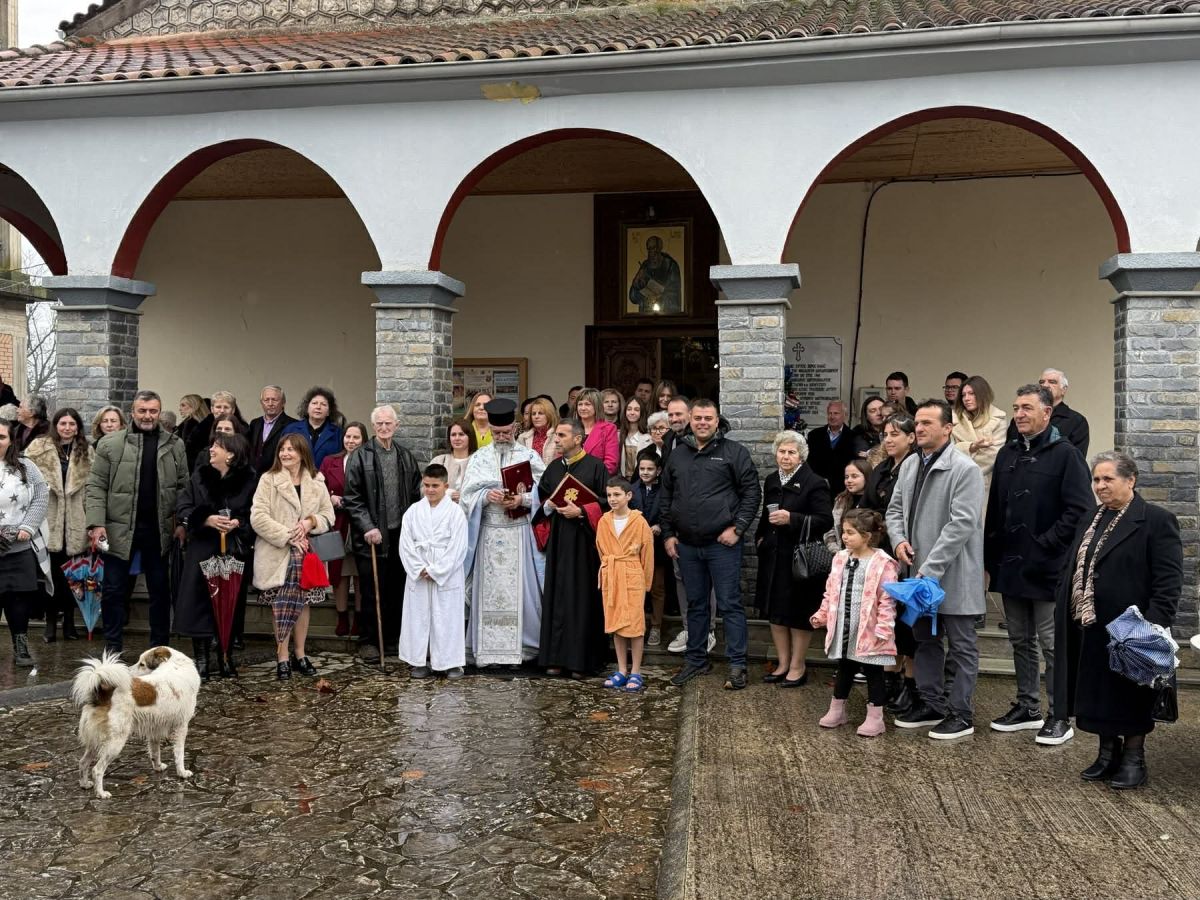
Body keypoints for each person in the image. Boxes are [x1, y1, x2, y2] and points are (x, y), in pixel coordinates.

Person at [1055, 452, 1181, 789]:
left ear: (1130, 480)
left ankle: (1134, 759)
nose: (1100, 486)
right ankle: (1107, 754)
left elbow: (1168, 582)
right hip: (1091, 624)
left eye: (1108, 479)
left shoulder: (1156, 520)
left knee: (1130, 696)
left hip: (1132, 630)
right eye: (1096, 479)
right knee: (1099, 694)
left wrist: (1152, 627)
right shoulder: (1090, 518)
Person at [985, 384, 1092, 745]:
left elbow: (1081, 510)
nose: (1019, 414)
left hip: (1048, 566)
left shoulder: (1066, 455)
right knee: (1019, 639)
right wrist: (991, 556)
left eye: (1027, 408)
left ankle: (1059, 715)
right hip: (1012, 565)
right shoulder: (1008, 453)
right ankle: (1027, 707)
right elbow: (996, 509)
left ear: (1047, 412)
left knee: (1052, 644)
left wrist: (1046, 542)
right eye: (1016, 408)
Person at [886, 399, 985, 739]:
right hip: (917, 575)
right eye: (917, 422)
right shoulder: (911, 464)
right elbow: (894, 510)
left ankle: (961, 714)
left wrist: (931, 568)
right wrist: (898, 541)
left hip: (952, 575)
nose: (920, 428)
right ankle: (932, 704)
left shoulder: (965, 469)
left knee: (961, 647)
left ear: (948, 428)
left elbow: (962, 524)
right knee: (925, 641)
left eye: (928, 422)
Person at [663, 399, 762, 690]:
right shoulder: (678, 455)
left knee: (730, 604)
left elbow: (752, 493)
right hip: (687, 545)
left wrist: (738, 528)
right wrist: (668, 534)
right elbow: (666, 497)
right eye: (698, 418)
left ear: (718, 421)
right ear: (690, 420)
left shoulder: (734, 452)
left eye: (708, 418)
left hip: (722, 545)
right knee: (696, 605)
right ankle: (696, 660)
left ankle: (737, 665)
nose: (703, 423)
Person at [86, 390, 189, 654]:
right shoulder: (110, 444)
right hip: (118, 530)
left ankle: (159, 650)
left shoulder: (174, 444)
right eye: (142, 410)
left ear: (159, 412)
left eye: (153, 411)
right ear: (132, 412)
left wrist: (182, 522)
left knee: (160, 592)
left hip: (159, 531)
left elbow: (183, 487)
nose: (147, 416)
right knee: (113, 591)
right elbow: (96, 486)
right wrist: (96, 524)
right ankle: (112, 649)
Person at [460, 398, 546, 665]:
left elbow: (544, 493)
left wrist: (523, 500)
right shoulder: (479, 458)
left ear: (515, 428)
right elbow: (466, 496)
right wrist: (486, 496)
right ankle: (487, 651)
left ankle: (523, 647)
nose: (501, 437)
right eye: (497, 433)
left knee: (524, 592)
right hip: (488, 533)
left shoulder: (529, 456)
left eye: (506, 432)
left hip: (519, 533)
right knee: (487, 592)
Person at [250, 434, 335, 680]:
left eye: (291, 449)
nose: (285, 454)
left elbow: (328, 515)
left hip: (306, 555)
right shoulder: (269, 479)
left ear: (302, 453)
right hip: (278, 552)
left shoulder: (317, 480)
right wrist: (288, 535)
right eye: (282, 449)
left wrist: (311, 522)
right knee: (281, 603)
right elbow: (258, 516)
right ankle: (282, 655)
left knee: (303, 602)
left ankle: (300, 653)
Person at [754, 431, 833, 687]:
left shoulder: (815, 482)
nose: (786, 456)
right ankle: (783, 663)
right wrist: (760, 539)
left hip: (800, 559)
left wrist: (792, 519)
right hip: (773, 557)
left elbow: (825, 520)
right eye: (782, 451)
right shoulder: (771, 480)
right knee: (775, 612)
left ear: (801, 456)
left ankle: (798, 666)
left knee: (798, 613)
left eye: (791, 452)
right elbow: (765, 516)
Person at [174, 432, 256, 680]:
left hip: (232, 551)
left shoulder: (250, 480)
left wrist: (238, 523)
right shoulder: (199, 476)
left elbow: (256, 513)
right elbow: (183, 507)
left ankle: (225, 658)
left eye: (217, 446)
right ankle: (201, 661)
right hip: (202, 549)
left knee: (228, 604)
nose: (211, 450)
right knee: (199, 604)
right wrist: (206, 519)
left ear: (231, 454)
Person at [811, 509, 900, 736]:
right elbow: (831, 591)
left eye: (850, 533)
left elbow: (888, 599)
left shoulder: (883, 563)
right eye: (844, 532)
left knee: (873, 670)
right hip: (845, 626)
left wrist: (884, 627)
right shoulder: (840, 558)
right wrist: (822, 614)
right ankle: (837, 710)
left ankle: (875, 717)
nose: (844, 537)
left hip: (870, 629)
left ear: (867, 536)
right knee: (845, 667)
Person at [343, 404, 422, 661]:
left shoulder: (405, 457)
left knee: (397, 589)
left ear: (396, 426)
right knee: (371, 591)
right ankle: (368, 641)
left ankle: (391, 639)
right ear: (373, 426)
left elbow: (415, 495)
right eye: (379, 424)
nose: (384, 427)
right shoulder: (360, 456)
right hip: (371, 537)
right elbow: (352, 498)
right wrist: (368, 526)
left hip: (400, 535)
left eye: (389, 423)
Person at [535, 419, 610, 677]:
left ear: (577, 439)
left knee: (582, 597)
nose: (556, 440)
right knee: (557, 595)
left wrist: (582, 511)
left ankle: (581, 661)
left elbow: (607, 501)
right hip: (558, 541)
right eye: (556, 435)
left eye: (562, 435)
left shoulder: (596, 467)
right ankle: (554, 657)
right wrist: (549, 505)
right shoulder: (554, 468)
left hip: (584, 543)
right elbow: (542, 499)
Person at [864, 413, 918, 712]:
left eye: (895, 434)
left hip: (907, 551)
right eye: (885, 434)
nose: (889, 439)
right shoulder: (881, 469)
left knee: (908, 621)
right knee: (886, 617)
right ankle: (889, 676)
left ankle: (911, 681)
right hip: (881, 552)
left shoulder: (916, 467)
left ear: (911, 437)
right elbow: (866, 507)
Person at [26, 408, 92, 643]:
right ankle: (51, 623)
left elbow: (92, 488)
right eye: (63, 423)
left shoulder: (86, 451)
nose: (67, 428)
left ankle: (70, 623)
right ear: (55, 425)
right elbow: (27, 482)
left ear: (77, 427)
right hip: (49, 519)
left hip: (76, 521)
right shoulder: (38, 448)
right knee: (50, 575)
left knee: (73, 578)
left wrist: (91, 521)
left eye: (72, 424)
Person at [398, 463, 469, 680]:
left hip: (446, 572)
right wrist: (419, 568)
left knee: (447, 616)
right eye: (426, 485)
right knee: (418, 616)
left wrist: (437, 570)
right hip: (419, 571)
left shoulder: (456, 513)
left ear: (445, 486)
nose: (429, 490)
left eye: (435, 486)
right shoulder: (413, 511)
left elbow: (458, 546)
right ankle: (418, 660)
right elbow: (405, 543)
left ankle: (451, 662)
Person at [598, 476, 654, 693]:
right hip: (612, 574)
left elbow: (647, 555)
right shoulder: (604, 521)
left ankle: (636, 671)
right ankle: (621, 670)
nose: (612, 499)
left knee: (635, 626)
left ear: (628, 496)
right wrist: (607, 572)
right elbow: (601, 549)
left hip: (632, 575)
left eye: (617, 494)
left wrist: (645, 583)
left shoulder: (639, 522)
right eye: (609, 495)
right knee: (616, 625)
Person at [0, 419, 49, 667]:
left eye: (1, 437)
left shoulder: (26, 466)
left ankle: (21, 648)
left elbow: (41, 495)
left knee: (18, 600)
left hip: (18, 546)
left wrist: (28, 527)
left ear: (11, 440)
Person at [319, 422, 367, 637]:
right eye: (348, 436)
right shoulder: (330, 461)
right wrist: (330, 498)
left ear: (363, 440)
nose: (351, 441)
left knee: (359, 575)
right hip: (337, 523)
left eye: (356, 437)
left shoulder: (369, 461)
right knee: (339, 574)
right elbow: (318, 488)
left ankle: (359, 618)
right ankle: (341, 617)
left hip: (360, 525)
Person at [1005, 368, 1090, 456]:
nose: (1045, 385)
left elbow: (1075, 459)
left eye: (1052, 382)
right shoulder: (1021, 418)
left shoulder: (1076, 421)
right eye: (1041, 382)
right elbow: (1009, 453)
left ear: (1063, 390)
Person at [631, 448, 667, 646]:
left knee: (657, 587)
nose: (645, 472)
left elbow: (670, 512)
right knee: (635, 588)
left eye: (650, 469)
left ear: (658, 471)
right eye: (642, 468)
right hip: (635, 547)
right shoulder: (631, 489)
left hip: (657, 546)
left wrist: (661, 525)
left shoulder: (666, 490)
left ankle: (656, 626)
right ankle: (636, 626)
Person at [952, 375, 1007, 492]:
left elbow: (991, 458)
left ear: (983, 394)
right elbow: (948, 452)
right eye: (963, 395)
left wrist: (961, 449)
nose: (966, 398)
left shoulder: (998, 419)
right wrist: (971, 447)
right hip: (954, 482)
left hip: (983, 483)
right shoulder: (953, 420)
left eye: (971, 394)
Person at [280, 386, 343, 469]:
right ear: (307, 408)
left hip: (325, 477)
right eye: (314, 403)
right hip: (294, 476)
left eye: (323, 404)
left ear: (329, 412)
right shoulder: (291, 430)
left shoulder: (338, 433)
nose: (318, 407)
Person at [806, 400, 856, 492]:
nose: (832, 417)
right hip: (818, 487)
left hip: (844, 489)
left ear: (845, 415)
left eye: (836, 413)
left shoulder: (854, 437)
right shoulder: (814, 435)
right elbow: (809, 463)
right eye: (830, 413)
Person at [824, 459, 872, 552]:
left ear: (867, 477)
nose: (849, 480)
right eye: (846, 477)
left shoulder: (874, 501)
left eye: (854, 476)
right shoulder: (841, 500)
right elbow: (831, 529)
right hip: (841, 553)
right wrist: (836, 551)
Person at [248, 385, 297, 475]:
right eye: (266, 400)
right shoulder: (255, 423)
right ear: (261, 403)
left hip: (279, 475)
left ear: (283, 403)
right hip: (255, 476)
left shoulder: (293, 425)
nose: (270, 403)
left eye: (274, 400)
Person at [629, 235, 683, 313]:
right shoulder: (645, 265)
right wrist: (636, 284)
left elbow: (674, 298)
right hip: (645, 315)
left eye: (654, 248)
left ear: (659, 248)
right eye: (649, 249)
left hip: (665, 315)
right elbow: (633, 298)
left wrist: (658, 295)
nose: (652, 253)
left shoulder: (670, 266)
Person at [574, 388, 620, 475]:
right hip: (571, 479)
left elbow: (611, 463)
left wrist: (589, 476)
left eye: (587, 404)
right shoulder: (570, 428)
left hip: (596, 479)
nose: (583, 408)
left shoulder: (609, 429)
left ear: (596, 406)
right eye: (580, 404)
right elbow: (561, 457)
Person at [432, 419, 478, 502]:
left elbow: (485, 491)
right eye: (453, 435)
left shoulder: (479, 462)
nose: (457, 438)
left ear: (470, 437)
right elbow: (424, 489)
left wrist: (465, 497)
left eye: (461, 434)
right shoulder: (439, 461)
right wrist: (445, 494)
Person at [516, 399, 557, 468]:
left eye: (540, 413)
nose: (536, 416)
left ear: (549, 415)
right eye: (533, 414)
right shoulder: (522, 438)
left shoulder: (558, 436)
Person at [619, 396, 652, 478]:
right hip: (621, 480)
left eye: (636, 410)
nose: (632, 412)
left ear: (642, 413)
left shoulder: (649, 438)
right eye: (629, 409)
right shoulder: (618, 435)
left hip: (641, 480)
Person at [177, 394, 211, 471]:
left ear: (193, 406)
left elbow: (187, 450)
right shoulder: (207, 423)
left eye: (183, 405)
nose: (180, 409)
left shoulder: (190, 424)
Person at [851, 396, 886, 460]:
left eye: (881, 409)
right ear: (866, 416)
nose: (879, 413)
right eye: (873, 411)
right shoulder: (859, 432)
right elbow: (862, 457)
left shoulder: (896, 429)